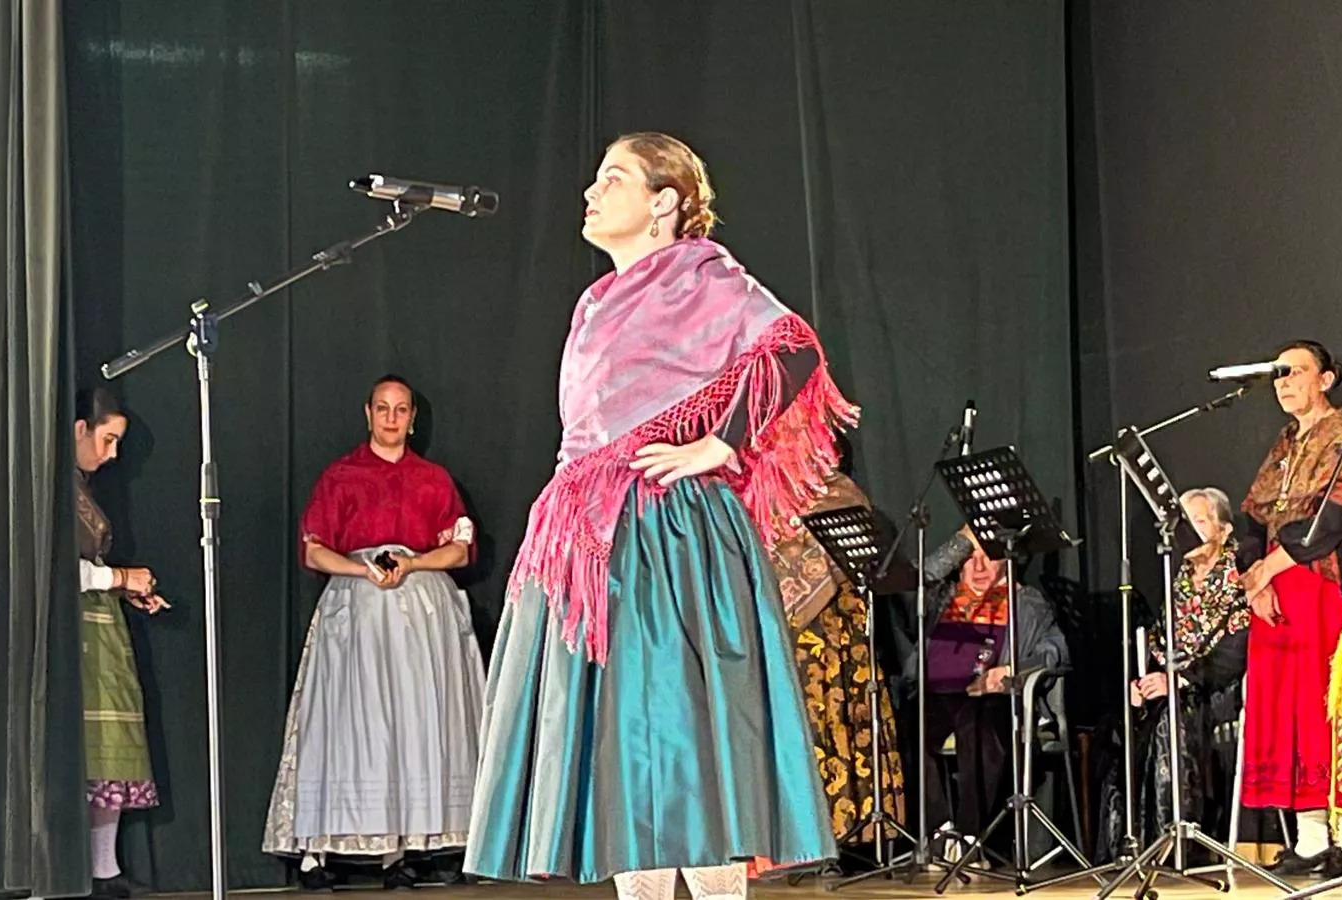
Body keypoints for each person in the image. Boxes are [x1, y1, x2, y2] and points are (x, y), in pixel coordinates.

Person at [462, 132, 857, 900]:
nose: (592, 192)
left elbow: (794, 348)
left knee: (689, 741)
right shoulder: (595, 302)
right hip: (589, 538)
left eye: (614, 179)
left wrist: (721, 444)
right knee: (619, 749)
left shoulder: (704, 277)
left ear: (665, 202)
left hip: (669, 534)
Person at [263, 375, 487, 890]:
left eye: (401, 409)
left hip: (420, 617)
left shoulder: (433, 479)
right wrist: (364, 571)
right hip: (359, 609)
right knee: (350, 718)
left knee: (416, 721)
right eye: (383, 408)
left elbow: (459, 545)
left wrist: (412, 565)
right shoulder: (342, 476)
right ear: (368, 413)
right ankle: (322, 848)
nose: (391, 418)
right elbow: (314, 547)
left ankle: (406, 849)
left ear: (412, 418)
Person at [1236, 341, 1342, 876]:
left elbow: (1331, 522)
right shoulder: (1285, 441)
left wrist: (1271, 567)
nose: (1283, 382)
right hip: (1273, 596)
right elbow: (1248, 517)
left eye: (1294, 372)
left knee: (1323, 706)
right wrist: (1253, 578)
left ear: (1327, 379)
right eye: (1278, 375)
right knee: (1283, 712)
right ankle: (1310, 837)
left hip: (1318, 585)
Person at [1099, 488, 1249, 860]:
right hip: (1173, 683)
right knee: (1126, 721)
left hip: (1218, 687)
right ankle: (1129, 844)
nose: (1189, 533)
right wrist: (1144, 679)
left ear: (1224, 530)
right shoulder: (1179, 577)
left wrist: (1180, 680)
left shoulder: (1241, 575)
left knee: (1171, 721)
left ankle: (1178, 842)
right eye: (1184, 524)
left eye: (1199, 522)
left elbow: (1235, 652)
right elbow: (1158, 639)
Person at [910, 524, 1069, 862]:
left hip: (995, 697)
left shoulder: (1026, 602)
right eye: (970, 559)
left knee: (977, 719)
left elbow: (1055, 652)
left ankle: (970, 834)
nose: (978, 568)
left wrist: (1013, 671)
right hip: (941, 695)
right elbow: (920, 580)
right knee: (911, 720)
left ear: (1007, 563)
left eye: (988, 558)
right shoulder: (943, 601)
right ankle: (940, 831)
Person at [771, 469, 906, 848]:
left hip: (835, 636)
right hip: (780, 637)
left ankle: (840, 834)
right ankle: (791, 838)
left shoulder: (840, 493)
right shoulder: (769, 488)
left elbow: (853, 563)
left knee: (833, 724)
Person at [74, 387, 169, 900]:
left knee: (110, 748)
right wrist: (121, 578)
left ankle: (104, 868)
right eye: (107, 440)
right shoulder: (54, 489)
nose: (111, 455)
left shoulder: (82, 488)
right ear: (79, 431)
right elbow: (55, 568)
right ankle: (85, 871)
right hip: (79, 633)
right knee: (89, 747)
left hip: (102, 625)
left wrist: (128, 590)